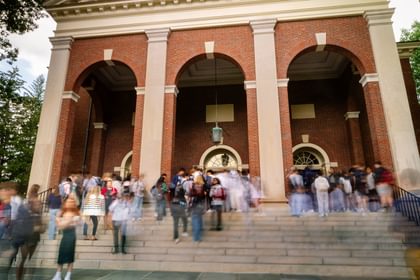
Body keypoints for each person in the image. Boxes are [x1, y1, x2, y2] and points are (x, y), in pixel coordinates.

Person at [52, 197, 80, 280]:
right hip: (64, 236)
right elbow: (60, 226)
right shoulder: (61, 212)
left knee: (70, 255)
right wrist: (70, 221)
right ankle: (58, 274)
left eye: (72, 202)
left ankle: (68, 275)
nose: (70, 203)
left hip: (71, 236)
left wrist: (65, 221)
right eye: (68, 202)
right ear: (65, 203)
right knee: (61, 254)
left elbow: (76, 224)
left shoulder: (77, 213)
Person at [170, 177, 188, 243]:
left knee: (175, 225)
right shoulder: (183, 199)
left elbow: (171, 205)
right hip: (181, 212)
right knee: (185, 221)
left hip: (175, 213)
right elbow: (185, 206)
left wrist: (172, 212)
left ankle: (176, 237)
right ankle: (184, 231)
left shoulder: (174, 198)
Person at [189, 175, 206, 243]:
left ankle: (196, 238)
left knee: (195, 221)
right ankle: (199, 234)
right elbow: (203, 197)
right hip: (200, 205)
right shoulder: (202, 187)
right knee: (198, 219)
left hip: (194, 205)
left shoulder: (193, 186)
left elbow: (190, 195)